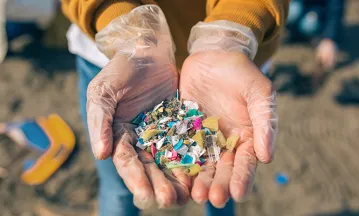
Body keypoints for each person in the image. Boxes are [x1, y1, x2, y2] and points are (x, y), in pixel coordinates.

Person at [61, 1, 288, 215]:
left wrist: (230, 37)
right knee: (119, 188)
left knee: (221, 189)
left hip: (234, 67)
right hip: (120, 62)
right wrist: (129, 36)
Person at [286, 0, 346, 70]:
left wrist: (329, 39)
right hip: (300, 4)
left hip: (318, 9)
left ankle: (315, 35)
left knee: (309, 25)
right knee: (291, 11)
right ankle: (295, 32)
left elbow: (336, 6)